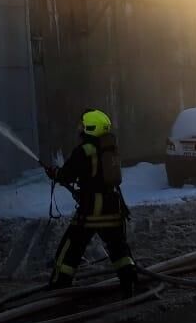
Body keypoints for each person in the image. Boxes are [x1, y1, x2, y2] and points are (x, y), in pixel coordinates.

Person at [44, 109, 137, 296]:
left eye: (83, 125)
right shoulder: (111, 149)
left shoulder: (84, 151)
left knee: (71, 247)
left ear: (90, 127)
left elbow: (67, 175)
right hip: (113, 206)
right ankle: (130, 281)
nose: (80, 128)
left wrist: (55, 173)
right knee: (118, 247)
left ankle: (59, 285)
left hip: (91, 210)